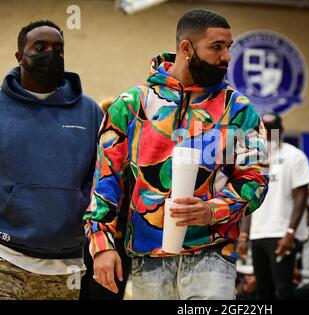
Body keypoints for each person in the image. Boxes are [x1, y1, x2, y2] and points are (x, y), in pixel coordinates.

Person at [83, 9, 269, 300]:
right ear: (187, 48)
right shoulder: (132, 105)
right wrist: (102, 244)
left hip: (214, 256)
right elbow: (105, 180)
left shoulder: (239, 110)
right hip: (147, 258)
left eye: (228, 46)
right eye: (216, 47)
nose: (227, 56)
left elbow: (255, 179)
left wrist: (212, 210)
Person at [0, 20, 103, 300]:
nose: (51, 54)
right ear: (20, 57)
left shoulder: (90, 112)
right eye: (40, 47)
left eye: (58, 48)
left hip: (67, 264)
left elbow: (103, 179)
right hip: (5, 257)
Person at [237, 112, 309, 300]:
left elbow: (301, 197)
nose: (269, 135)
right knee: (262, 291)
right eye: (266, 130)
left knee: (283, 290)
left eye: (273, 130)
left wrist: (290, 233)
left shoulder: (295, 156)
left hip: (281, 234)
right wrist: (244, 235)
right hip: (258, 234)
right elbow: (251, 199)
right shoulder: (255, 158)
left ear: (282, 131)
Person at [79, 98, 132, 300]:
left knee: (107, 292)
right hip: (88, 237)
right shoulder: (94, 157)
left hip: (117, 239)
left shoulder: (130, 162)